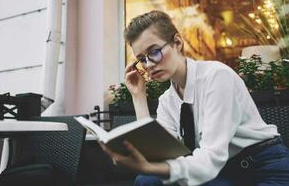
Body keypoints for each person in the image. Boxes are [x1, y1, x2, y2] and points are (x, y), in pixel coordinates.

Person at [99, 10, 289, 186]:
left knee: (152, 175)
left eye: (154, 52)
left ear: (177, 43)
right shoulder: (168, 100)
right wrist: (138, 97)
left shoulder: (216, 77)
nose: (148, 64)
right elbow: (158, 153)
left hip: (264, 168)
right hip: (223, 171)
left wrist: (151, 168)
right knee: (146, 180)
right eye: (142, 59)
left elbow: (210, 158)